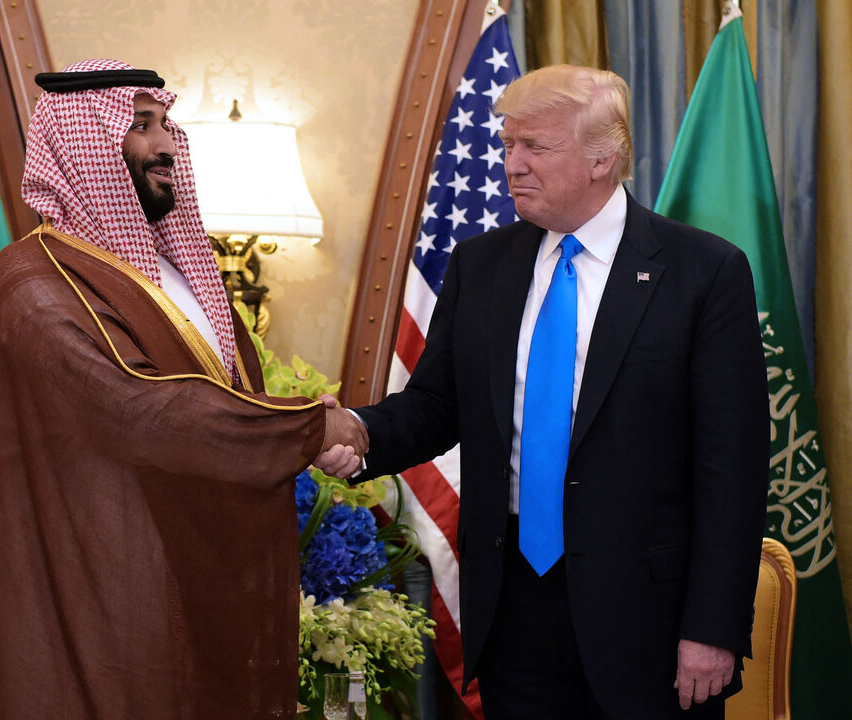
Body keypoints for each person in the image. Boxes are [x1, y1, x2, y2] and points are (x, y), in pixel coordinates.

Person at [318, 65, 768, 719]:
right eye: (507, 144)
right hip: (514, 608)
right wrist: (358, 432)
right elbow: (437, 406)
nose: (513, 163)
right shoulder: (482, 265)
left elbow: (733, 470)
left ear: (602, 159)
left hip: (650, 619)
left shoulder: (704, 272)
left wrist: (712, 628)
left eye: (536, 147)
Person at [0, 59, 365, 720]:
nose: (167, 144)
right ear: (82, 145)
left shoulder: (177, 273)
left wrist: (311, 425)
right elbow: (137, 409)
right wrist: (311, 428)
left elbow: (230, 393)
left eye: (167, 123)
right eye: (141, 126)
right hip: (91, 594)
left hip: (193, 590)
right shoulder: (30, 284)